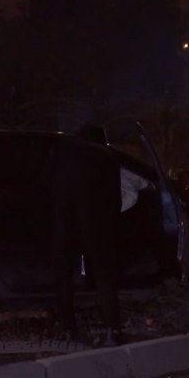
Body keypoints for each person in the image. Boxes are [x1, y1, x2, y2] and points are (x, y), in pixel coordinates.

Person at [47, 124, 124, 346]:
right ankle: (113, 330)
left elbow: (48, 187)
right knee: (104, 276)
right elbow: (115, 200)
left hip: (64, 223)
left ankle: (68, 331)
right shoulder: (107, 157)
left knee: (63, 277)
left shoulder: (62, 153)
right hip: (95, 226)